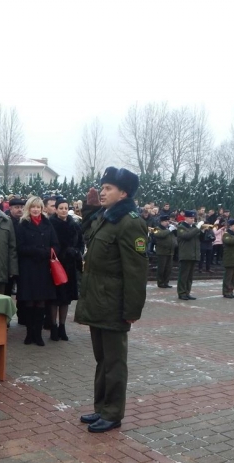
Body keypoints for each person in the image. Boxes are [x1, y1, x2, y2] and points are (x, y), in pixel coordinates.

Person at [75, 167, 148, 433]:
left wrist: (131, 310)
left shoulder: (130, 222)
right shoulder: (106, 217)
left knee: (115, 362)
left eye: (108, 189)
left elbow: (136, 271)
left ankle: (113, 413)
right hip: (98, 300)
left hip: (114, 305)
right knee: (103, 360)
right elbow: (87, 234)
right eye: (102, 187)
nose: (102, 192)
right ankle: (101, 408)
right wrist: (90, 208)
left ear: (124, 193)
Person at [15, 196, 59, 346]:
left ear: (42, 209)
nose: (36, 210)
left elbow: (55, 245)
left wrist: (46, 252)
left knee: (41, 302)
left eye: (38, 207)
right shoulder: (23, 224)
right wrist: (35, 251)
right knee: (29, 302)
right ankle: (29, 333)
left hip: (43, 268)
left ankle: (38, 334)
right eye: (33, 207)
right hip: (28, 267)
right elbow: (19, 247)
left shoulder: (48, 224)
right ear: (29, 208)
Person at [49, 197, 83, 342]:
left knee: (66, 299)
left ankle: (62, 326)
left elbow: (81, 243)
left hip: (70, 266)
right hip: (55, 265)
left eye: (65, 208)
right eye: (60, 208)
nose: (63, 210)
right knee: (55, 299)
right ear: (56, 209)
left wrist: (76, 252)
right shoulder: (51, 224)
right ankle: (53, 326)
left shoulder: (74, 224)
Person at [176, 210, 202, 300]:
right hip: (185, 254)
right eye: (191, 218)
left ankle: (187, 292)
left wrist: (203, 231)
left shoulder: (194, 228)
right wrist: (197, 229)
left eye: (193, 218)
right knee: (183, 276)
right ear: (185, 218)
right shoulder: (181, 227)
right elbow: (187, 236)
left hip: (193, 254)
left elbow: (201, 239)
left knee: (190, 276)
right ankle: (181, 293)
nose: (193, 220)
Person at [152, 214, 176, 288]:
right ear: (161, 221)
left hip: (170, 251)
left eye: (168, 221)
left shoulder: (169, 229)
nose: (167, 223)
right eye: (165, 221)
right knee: (161, 268)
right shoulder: (156, 229)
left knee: (168, 268)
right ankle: (160, 282)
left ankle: (166, 282)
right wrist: (169, 230)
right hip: (162, 251)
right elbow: (160, 235)